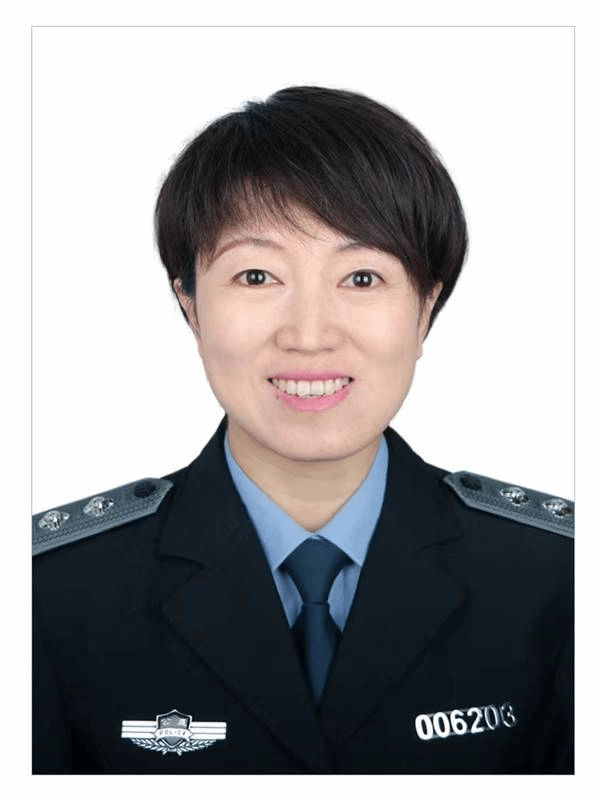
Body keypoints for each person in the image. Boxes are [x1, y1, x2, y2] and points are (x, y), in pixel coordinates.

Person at [32, 86, 573, 774]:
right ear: (189, 306)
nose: (310, 335)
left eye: (362, 277)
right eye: (257, 275)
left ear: (425, 309)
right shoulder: (48, 593)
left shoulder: (560, 580)